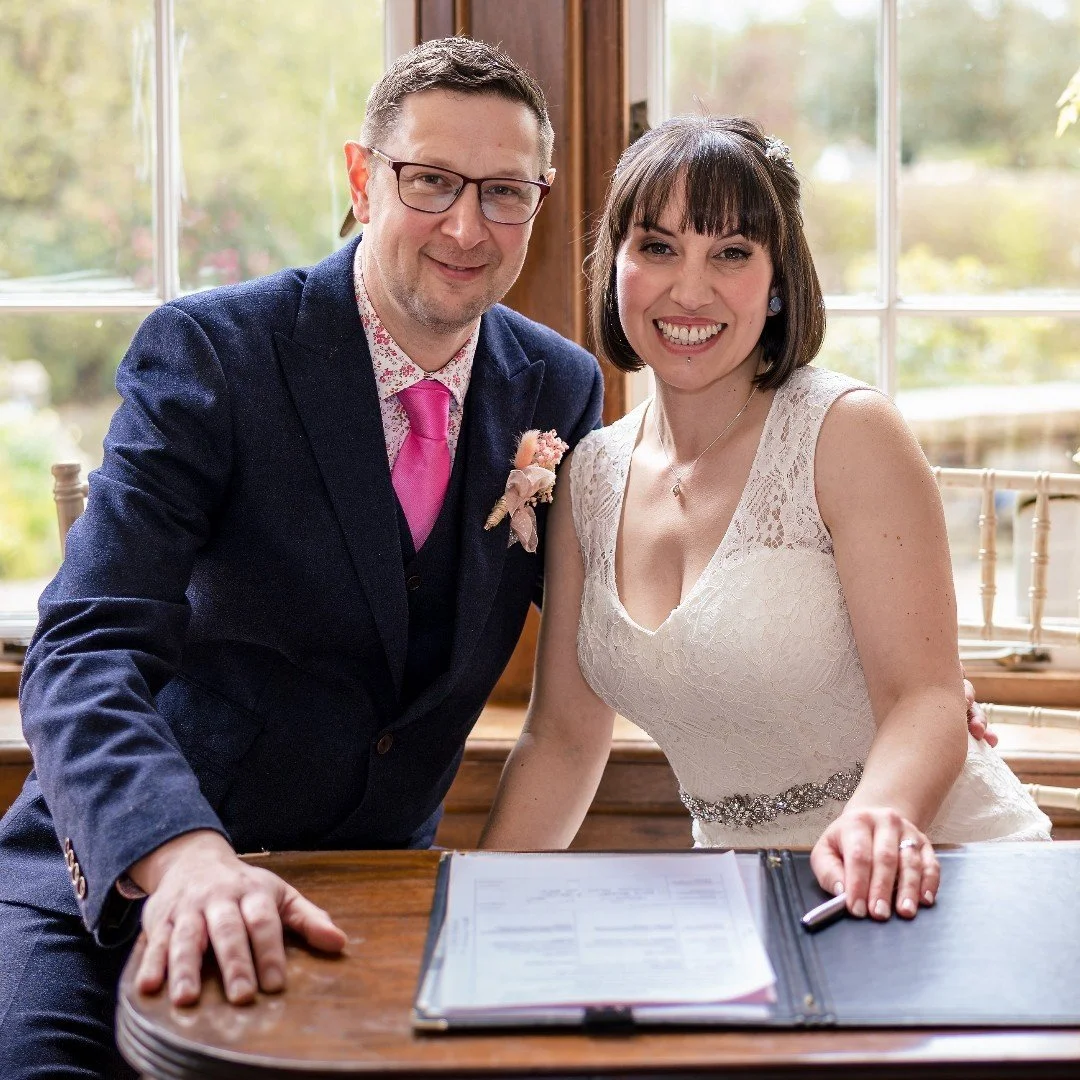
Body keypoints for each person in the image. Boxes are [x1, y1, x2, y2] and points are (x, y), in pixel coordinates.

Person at [0, 37, 603, 1079]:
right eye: (431, 182)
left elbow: (625, 634)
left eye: (505, 191)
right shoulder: (214, 351)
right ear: (364, 179)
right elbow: (84, 645)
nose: (469, 226)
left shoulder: (560, 387)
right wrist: (185, 855)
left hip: (370, 896)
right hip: (121, 878)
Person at [479, 115, 1051, 923]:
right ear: (617, 265)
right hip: (744, 904)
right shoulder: (588, 477)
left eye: (732, 253)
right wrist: (475, 906)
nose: (689, 289)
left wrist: (878, 823)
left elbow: (925, 698)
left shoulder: (848, 433)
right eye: (659, 247)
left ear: (779, 279)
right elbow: (565, 742)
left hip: (940, 877)